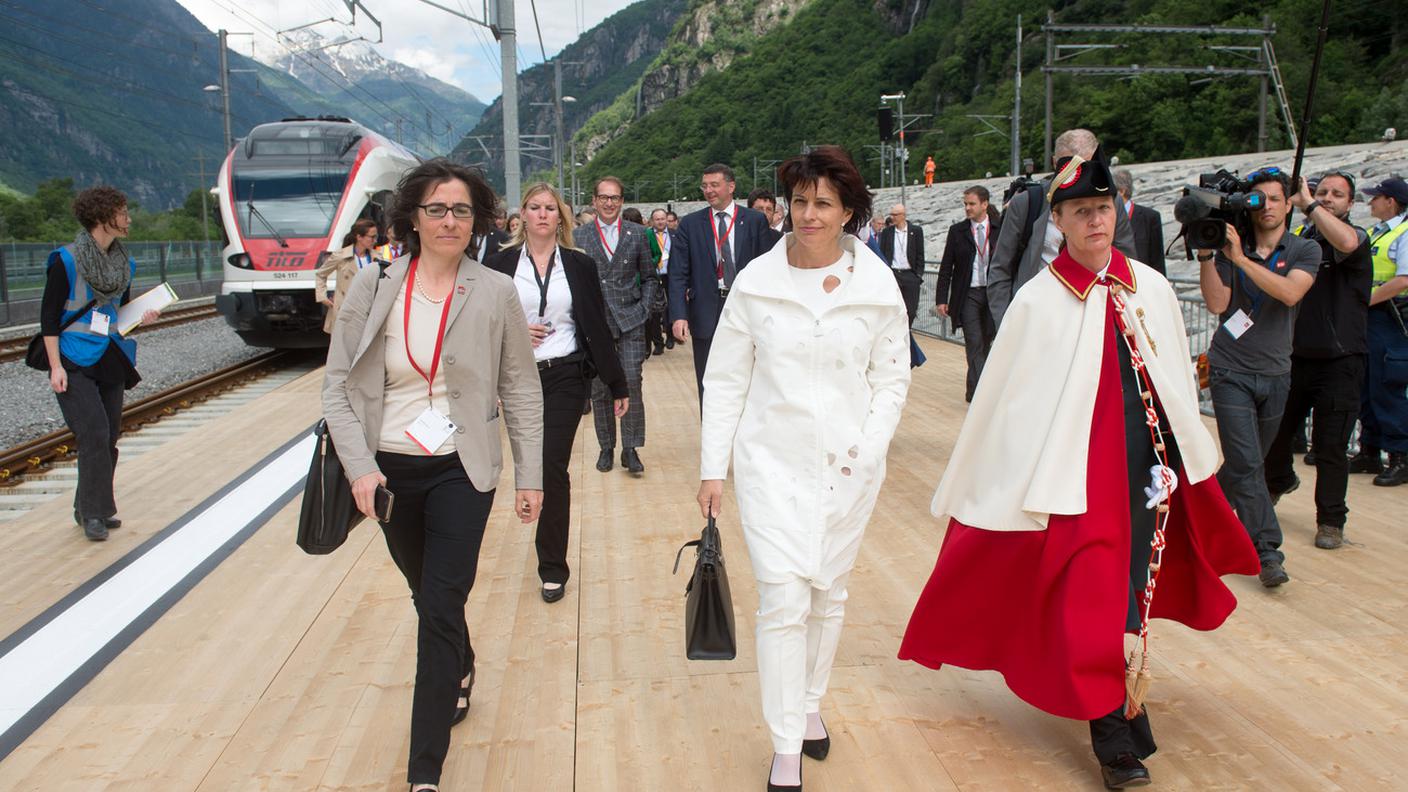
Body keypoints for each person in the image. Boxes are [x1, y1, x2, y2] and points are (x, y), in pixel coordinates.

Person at [900, 155, 1258, 791]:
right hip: (1077, 484)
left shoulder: (1147, 285)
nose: (1096, 221)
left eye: (1103, 208)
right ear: (1058, 222)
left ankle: (1122, 701)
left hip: (1146, 474)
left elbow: (1171, 377)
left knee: (1130, 598)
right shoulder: (1039, 302)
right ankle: (1115, 738)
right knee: (1091, 600)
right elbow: (1009, 405)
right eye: (1080, 212)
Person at [321, 159, 544, 792]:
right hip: (389, 472)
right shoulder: (371, 286)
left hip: (461, 469)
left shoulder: (495, 291)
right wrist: (360, 471)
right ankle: (463, 662)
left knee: (440, 602)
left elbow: (521, 388)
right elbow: (337, 387)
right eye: (437, 209)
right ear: (412, 217)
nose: (450, 221)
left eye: (462, 210)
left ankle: (424, 772)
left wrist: (532, 477)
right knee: (429, 596)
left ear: (478, 220)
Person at [697, 145, 910, 791]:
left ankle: (810, 702)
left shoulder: (876, 290)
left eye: (822, 202)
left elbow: (892, 378)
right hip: (770, 465)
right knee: (784, 600)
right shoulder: (757, 284)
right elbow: (727, 380)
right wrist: (714, 468)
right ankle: (786, 742)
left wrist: (871, 447)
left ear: (848, 211)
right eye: (799, 202)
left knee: (827, 594)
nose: (808, 214)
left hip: (849, 467)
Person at [484, 183, 627, 602]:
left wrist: (617, 382)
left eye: (550, 208)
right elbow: (480, 324)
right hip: (517, 377)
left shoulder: (579, 266)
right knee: (528, 461)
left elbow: (596, 326)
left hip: (565, 374)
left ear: (560, 218)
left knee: (551, 466)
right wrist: (512, 331)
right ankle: (532, 513)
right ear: (522, 215)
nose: (543, 214)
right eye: (535, 207)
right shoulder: (499, 265)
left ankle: (552, 566)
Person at [1197, 166, 1320, 587]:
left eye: (1273, 199)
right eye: (1257, 199)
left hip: (1277, 372)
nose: (1265, 206)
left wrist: (1241, 261)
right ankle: (1268, 552)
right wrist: (1207, 255)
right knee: (1249, 465)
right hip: (1230, 369)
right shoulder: (1230, 245)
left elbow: (1289, 293)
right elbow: (1217, 304)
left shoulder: (1304, 250)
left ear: (1289, 204)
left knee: (1244, 467)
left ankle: (1193, 519)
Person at [40, 186, 160, 542]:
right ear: (101, 217)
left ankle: (86, 506)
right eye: (122, 212)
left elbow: (118, 316)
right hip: (72, 357)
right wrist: (55, 367)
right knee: (92, 433)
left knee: (108, 437)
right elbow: (48, 318)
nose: (128, 219)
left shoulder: (125, 263)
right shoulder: (65, 260)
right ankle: (96, 514)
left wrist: (143, 316)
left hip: (107, 355)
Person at [1264, 172, 1371, 549]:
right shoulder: (1302, 242)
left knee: (1329, 446)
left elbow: (1343, 240)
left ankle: (1330, 519)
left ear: (1350, 204)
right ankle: (1278, 481)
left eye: (1336, 194)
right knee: (1275, 434)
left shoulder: (1355, 237)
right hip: (1294, 356)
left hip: (1341, 360)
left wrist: (1308, 203)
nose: (1326, 198)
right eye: (1322, 191)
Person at [988, 128, 1137, 327]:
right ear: (1054, 163)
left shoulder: (1113, 201)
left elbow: (1126, 258)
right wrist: (1007, 327)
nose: (1079, 175)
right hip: (1037, 317)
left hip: (1097, 316)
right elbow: (1001, 268)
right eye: (1068, 166)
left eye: (1085, 165)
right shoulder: (1027, 203)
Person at [571, 176, 656, 474]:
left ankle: (631, 448)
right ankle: (606, 446)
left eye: (615, 198)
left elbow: (649, 277)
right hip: (596, 327)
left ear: (622, 201)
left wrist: (644, 308)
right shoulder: (578, 237)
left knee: (632, 382)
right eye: (604, 198)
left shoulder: (637, 233)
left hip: (631, 320)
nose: (609, 203)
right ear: (594, 201)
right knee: (599, 388)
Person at [668, 163, 775, 398]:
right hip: (706, 310)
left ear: (731, 186)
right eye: (705, 185)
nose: (709, 190)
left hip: (746, 309)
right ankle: (711, 432)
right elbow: (677, 273)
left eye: (715, 185)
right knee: (708, 381)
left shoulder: (755, 221)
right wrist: (678, 315)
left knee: (748, 377)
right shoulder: (690, 224)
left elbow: (767, 269)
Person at [1352, 176, 1408, 486]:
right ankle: (1369, 450)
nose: (1371, 202)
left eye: (1377, 197)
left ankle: (1400, 456)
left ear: (1391, 201)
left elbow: (1404, 279)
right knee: (1366, 384)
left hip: (1389, 317)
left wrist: (1363, 302)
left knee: (1388, 386)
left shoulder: (1405, 233)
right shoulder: (1377, 232)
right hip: (1370, 318)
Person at [934, 186, 999, 402]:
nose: (967, 208)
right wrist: (941, 299)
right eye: (965, 204)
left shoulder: (1000, 228)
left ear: (984, 204)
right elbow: (946, 267)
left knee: (988, 339)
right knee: (974, 341)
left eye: (972, 204)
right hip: (968, 294)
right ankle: (984, 393)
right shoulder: (957, 231)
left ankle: (974, 389)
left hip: (993, 294)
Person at [315, 218, 379, 333]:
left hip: (370, 309)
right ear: (359, 237)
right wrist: (322, 296)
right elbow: (320, 274)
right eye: (372, 237)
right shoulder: (341, 256)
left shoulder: (377, 257)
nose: (375, 240)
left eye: (376, 237)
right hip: (346, 310)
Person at [1113, 168, 1167, 276]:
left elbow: (1158, 261)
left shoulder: (1150, 217)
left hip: (1143, 282)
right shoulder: (1104, 218)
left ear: (1121, 191)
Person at [878, 203, 924, 326]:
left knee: (911, 310)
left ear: (903, 215)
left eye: (895, 214)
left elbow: (920, 254)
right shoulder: (887, 232)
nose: (892, 217)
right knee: (894, 309)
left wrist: (918, 275)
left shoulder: (916, 231)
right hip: (894, 274)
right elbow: (882, 253)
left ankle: (907, 332)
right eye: (891, 214)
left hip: (910, 274)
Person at [645, 208, 676, 354]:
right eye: (657, 219)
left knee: (671, 307)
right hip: (654, 276)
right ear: (652, 221)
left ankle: (670, 336)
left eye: (663, 218)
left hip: (670, 276)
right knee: (654, 312)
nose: (660, 222)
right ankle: (658, 342)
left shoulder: (675, 235)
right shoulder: (647, 235)